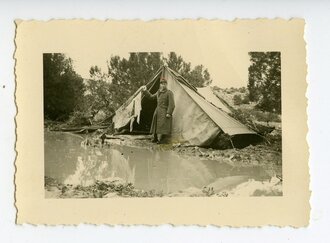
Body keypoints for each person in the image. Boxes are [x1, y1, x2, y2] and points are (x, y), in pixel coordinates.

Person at [141, 78, 175, 144]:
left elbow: (172, 104)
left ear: (166, 85)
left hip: (164, 112)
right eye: (162, 84)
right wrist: (145, 91)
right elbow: (151, 97)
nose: (163, 85)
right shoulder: (159, 92)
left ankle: (163, 140)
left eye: (164, 84)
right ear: (160, 85)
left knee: (164, 126)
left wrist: (169, 112)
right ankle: (155, 138)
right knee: (156, 125)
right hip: (157, 111)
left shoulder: (169, 93)